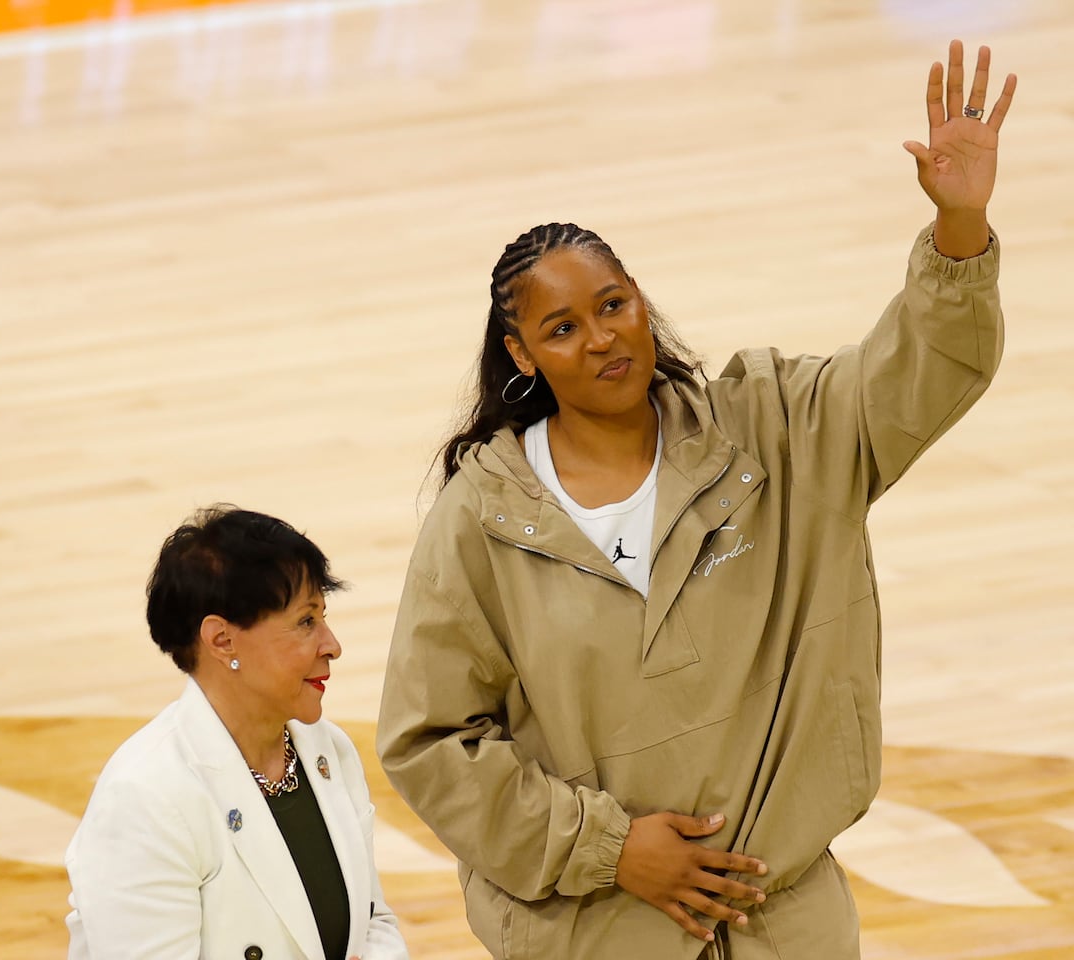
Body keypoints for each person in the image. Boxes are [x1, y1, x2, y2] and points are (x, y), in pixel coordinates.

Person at [377, 39, 1015, 960]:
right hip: (595, 932)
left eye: (612, 304)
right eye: (562, 328)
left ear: (640, 300)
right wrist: (606, 849)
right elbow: (431, 740)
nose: (601, 339)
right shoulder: (482, 519)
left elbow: (918, 374)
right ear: (523, 357)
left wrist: (962, 227)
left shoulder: (775, 431)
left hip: (786, 923)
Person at [65, 506, 411, 960]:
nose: (332, 645)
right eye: (306, 621)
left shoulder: (330, 752)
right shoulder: (146, 797)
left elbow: (372, 924)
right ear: (222, 640)